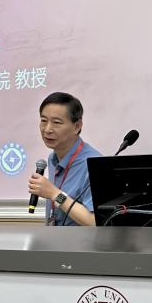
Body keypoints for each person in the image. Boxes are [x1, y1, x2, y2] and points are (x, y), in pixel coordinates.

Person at [28, 92, 102, 226]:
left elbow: (95, 221)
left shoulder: (93, 164)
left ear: (77, 126)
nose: (47, 129)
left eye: (56, 122)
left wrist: (55, 194)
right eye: (43, 121)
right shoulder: (52, 159)